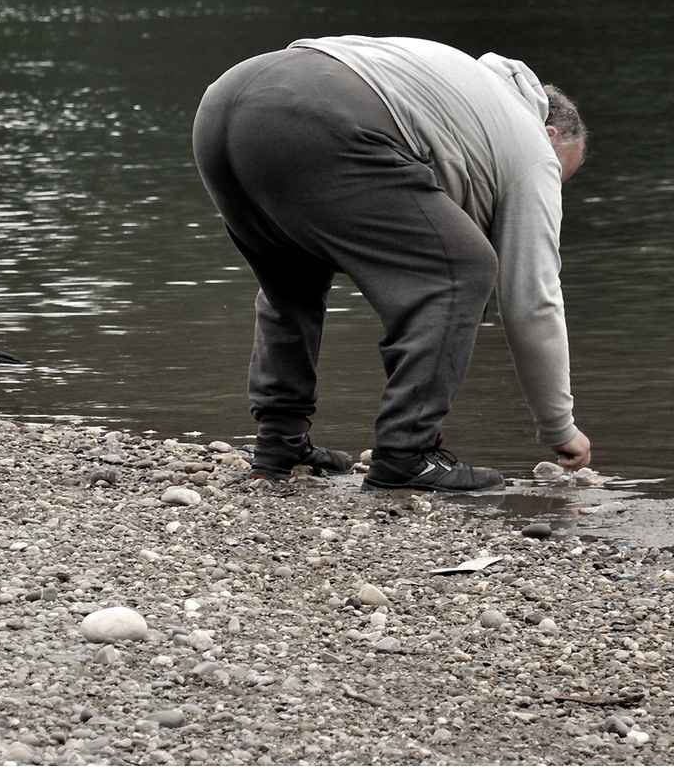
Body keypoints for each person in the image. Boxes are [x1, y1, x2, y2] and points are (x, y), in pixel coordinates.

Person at [192, 35, 591, 492]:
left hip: (224, 103)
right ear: (551, 136)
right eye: (560, 178)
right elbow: (533, 300)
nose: (552, 193)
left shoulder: (460, 92)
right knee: (465, 270)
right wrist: (558, 425)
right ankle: (406, 454)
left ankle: (280, 443)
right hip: (316, 113)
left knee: (291, 278)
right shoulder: (529, 143)